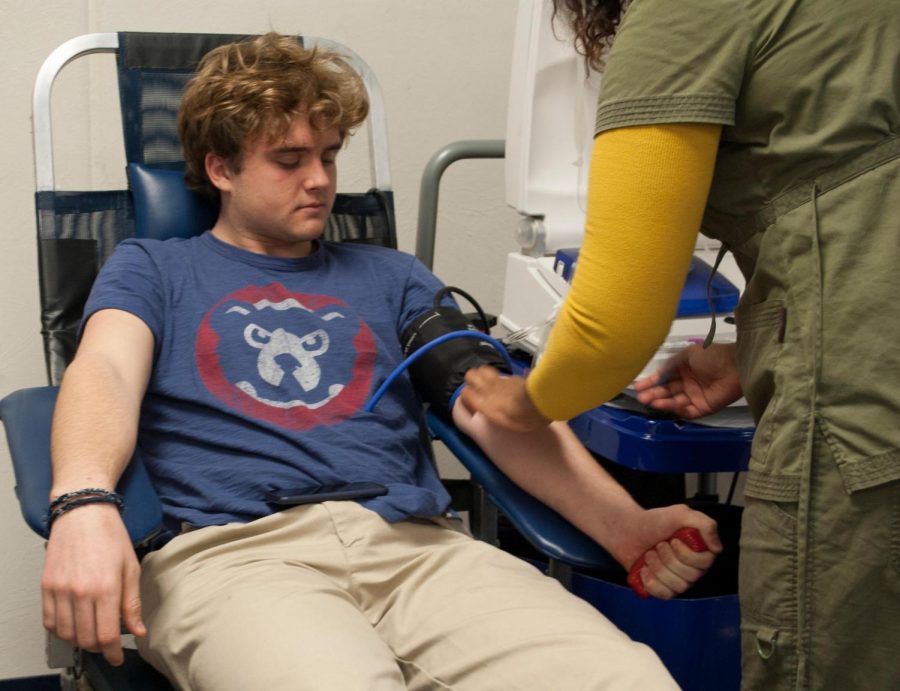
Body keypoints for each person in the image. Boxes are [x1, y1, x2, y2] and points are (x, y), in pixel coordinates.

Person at [39, 32, 721, 690]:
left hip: (415, 549)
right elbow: (105, 371)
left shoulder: (393, 277)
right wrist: (83, 501)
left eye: (330, 156)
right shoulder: (154, 267)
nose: (319, 181)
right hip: (233, 555)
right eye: (289, 159)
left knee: (625, 677)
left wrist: (628, 526)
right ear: (221, 169)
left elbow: (491, 405)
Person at [460, 1, 900, 689]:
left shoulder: (683, 15)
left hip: (867, 398)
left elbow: (609, 326)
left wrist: (524, 400)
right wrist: (750, 350)